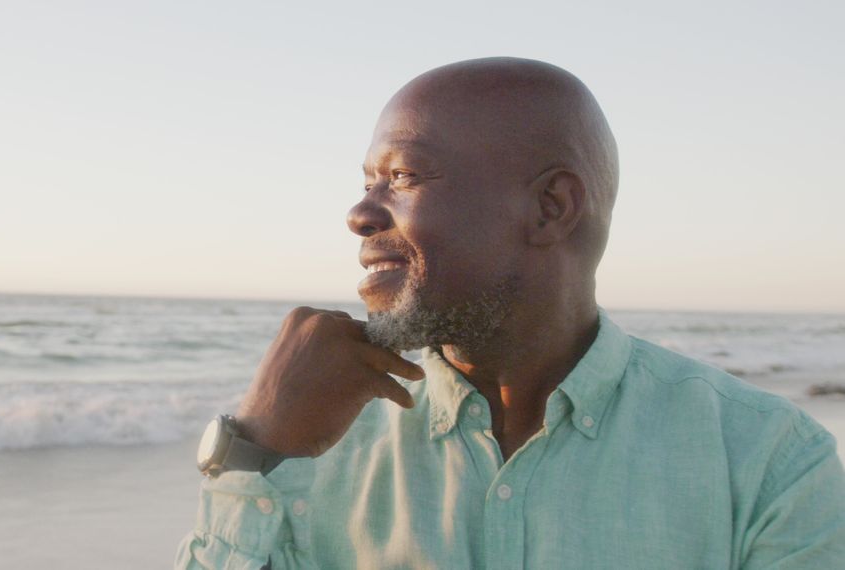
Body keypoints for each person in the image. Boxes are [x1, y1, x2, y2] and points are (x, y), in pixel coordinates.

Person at [176, 57, 845, 568]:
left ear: (551, 207)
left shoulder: (766, 462)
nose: (360, 213)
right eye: (367, 182)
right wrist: (252, 449)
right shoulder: (302, 444)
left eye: (405, 177)